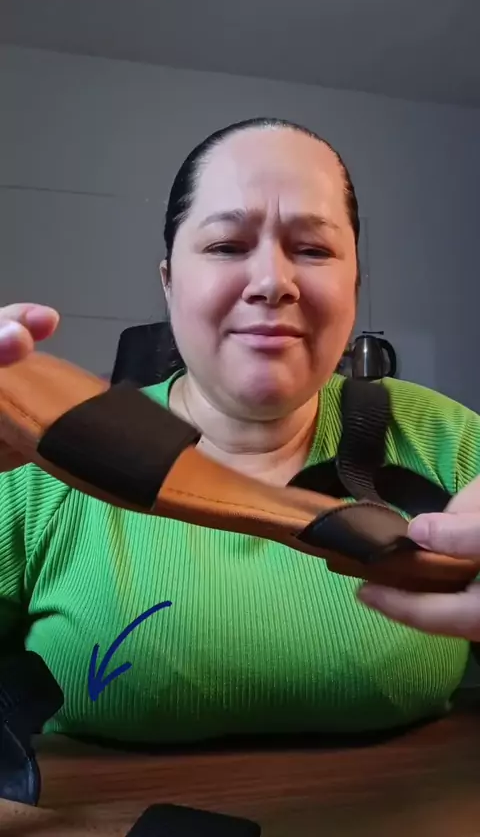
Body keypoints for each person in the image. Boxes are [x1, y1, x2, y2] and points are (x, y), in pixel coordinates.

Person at [1, 117, 480, 746]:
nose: (273, 282)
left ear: (355, 285)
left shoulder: (451, 442)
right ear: (169, 281)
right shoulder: (39, 454)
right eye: (227, 246)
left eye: (314, 250)